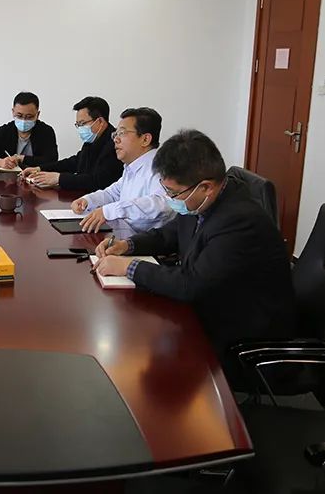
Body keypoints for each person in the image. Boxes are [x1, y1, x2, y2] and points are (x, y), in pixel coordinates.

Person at [92, 129, 296, 370]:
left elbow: (191, 284)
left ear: (205, 187)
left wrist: (129, 267)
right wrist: (128, 245)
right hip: (210, 303)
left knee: (144, 352)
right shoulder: (202, 201)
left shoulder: (239, 221)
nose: (169, 198)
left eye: (173, 193)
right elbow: (170, 233)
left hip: (241, 327)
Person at [71, 107, 174, 237]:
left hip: (149, 244)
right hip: (126, 237)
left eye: (122, 133)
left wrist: (110, 211)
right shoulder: (132, 166)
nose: (116, 139)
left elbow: (163, 203)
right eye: (115, 134)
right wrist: (88, 200)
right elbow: (113, 193)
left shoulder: (161, 167)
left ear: (145, 139)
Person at [20, 96, 122, 191]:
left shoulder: (115, 144)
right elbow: (74, 162)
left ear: (100, 122)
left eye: (82, 123)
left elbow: (97, 181)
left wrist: (59, 178)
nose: (80, 128)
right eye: (78, 124)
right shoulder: (92, 140)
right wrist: (39, 169)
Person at [0, 91, 58, 169]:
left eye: (29, 117)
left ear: (37, 115)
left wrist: (22, 158)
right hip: (7, 179)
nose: (24, 120)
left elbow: (52, 160)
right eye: (19, 116)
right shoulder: (4, 132)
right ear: (13, 112)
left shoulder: (46, 132)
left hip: (37, 178)